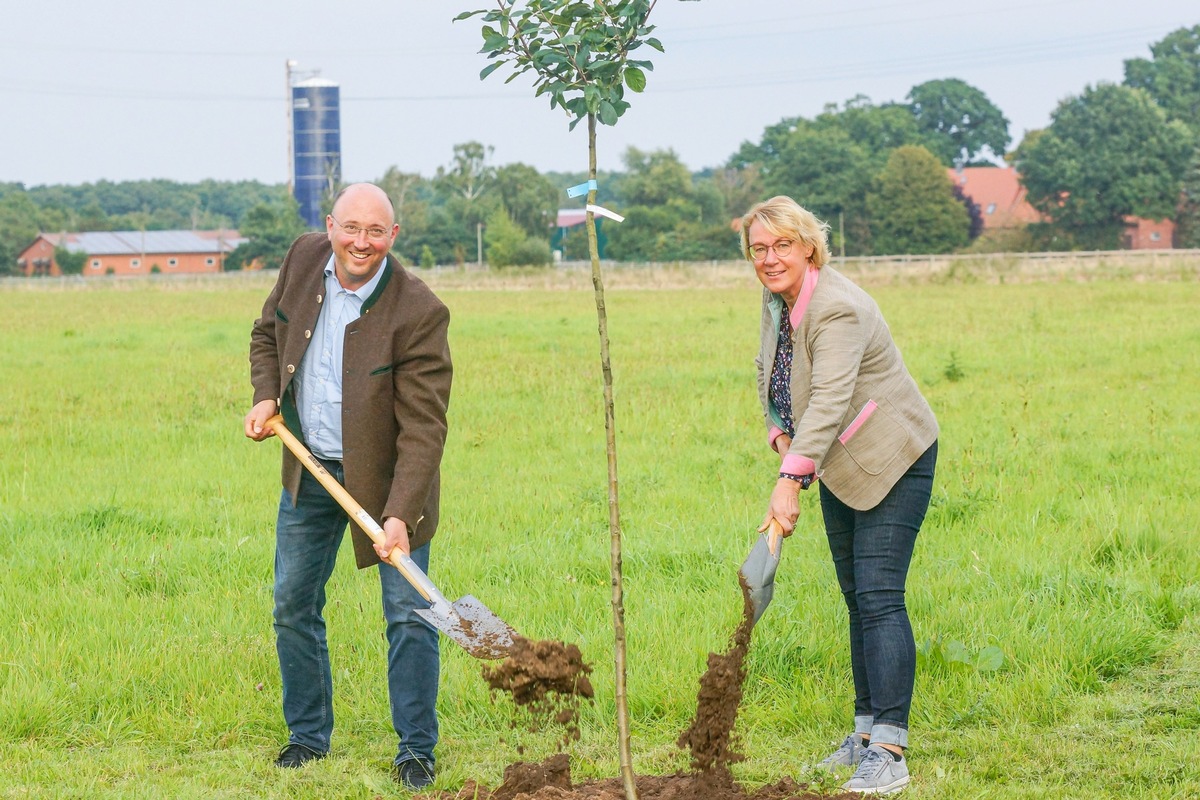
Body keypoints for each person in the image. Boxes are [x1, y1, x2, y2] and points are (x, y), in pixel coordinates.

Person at [244, 182, 452, 791]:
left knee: (411, 613)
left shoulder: (419, 310)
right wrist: (265, 395)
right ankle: (307, 738)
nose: (361, 242)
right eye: (351, 228)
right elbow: (266, 333)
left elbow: (424, 428)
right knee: (292, 604)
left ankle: (416, 750)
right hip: (309, 468)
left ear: (394, 237)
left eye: (376, 232)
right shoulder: (302, 259)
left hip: (387, 485)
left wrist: (399, 516)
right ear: (331, 225)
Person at [742, 196, 938, 794]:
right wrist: (782, 439)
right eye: (758, 248)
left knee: (879, 596)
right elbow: (774, 376)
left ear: (808, 246)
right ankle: (863, 732)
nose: (769, 259)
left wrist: (789, 481)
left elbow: (828, 397)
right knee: (856, 598)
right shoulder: (780, 302)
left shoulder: (837, 309)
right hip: (834, 459)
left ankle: (890, 749)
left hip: (892, 456)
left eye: (781, 245)